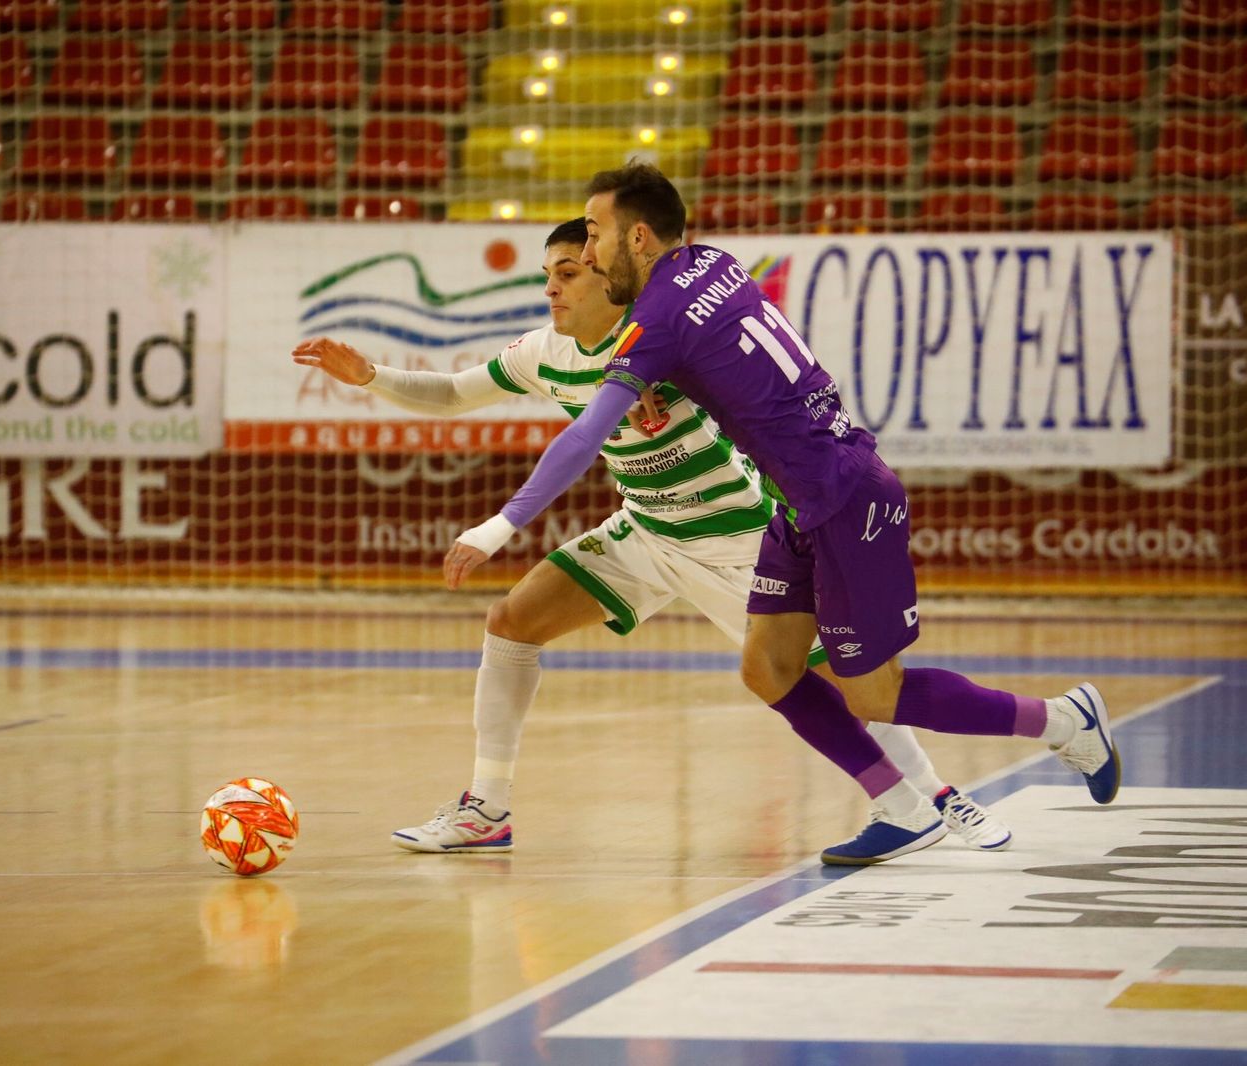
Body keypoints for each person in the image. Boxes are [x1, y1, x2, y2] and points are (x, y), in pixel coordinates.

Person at [440, 164, 1122, 865]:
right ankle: (903, 806)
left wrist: (498, 527)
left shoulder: (656, 325)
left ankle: (1063, 722)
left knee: (874, 694)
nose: (586, 254)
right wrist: (651, 376)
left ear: (637, 237)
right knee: (768, 668)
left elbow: (586, 433)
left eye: (593, 235)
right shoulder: (713, 263)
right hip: (801, 503)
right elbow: (701, 350)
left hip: (846, 499)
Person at [291, 218, 1014, 859]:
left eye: (569, 272)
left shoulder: (666, 340)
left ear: (610, 277)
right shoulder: (544, 352)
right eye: (547, 275)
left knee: (845, 681)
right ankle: (488, 810)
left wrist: (511, 516)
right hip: (646, 529)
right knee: (512, 621)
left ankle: (940, 799)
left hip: (736, 535)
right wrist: (371, 377)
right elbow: (453, 392)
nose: (552, 288)